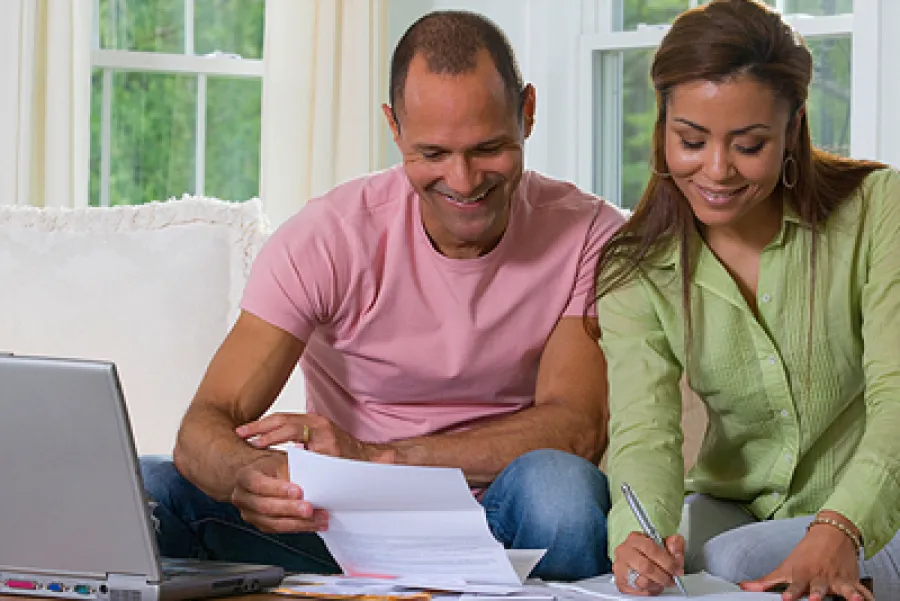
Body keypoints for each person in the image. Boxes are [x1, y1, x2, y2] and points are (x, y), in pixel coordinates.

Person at [141, 10, 625, 581]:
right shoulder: (329, 237)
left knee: (563, 495)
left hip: (504, 521)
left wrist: (381, 459)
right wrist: (246, 474)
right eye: (433, 154)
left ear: (528, 113)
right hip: (337, 524)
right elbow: (205, 425)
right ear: (394, 129)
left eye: (487, 148)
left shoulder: (591, 234)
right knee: (151, 487)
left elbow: (575, 426)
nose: (464, 181)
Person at [593, 0, 900, 599]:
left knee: (731, 562)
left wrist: (840, 525)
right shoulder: (636, 266)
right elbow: (645, 432)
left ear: (793, 129)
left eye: (748, 145)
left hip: (878, 509)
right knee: (679, 551)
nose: (716, 170)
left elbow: (898, 396)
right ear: (662, 128)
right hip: (736, 506)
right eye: (691, 139)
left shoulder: (879, 210)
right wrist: (639, 537)